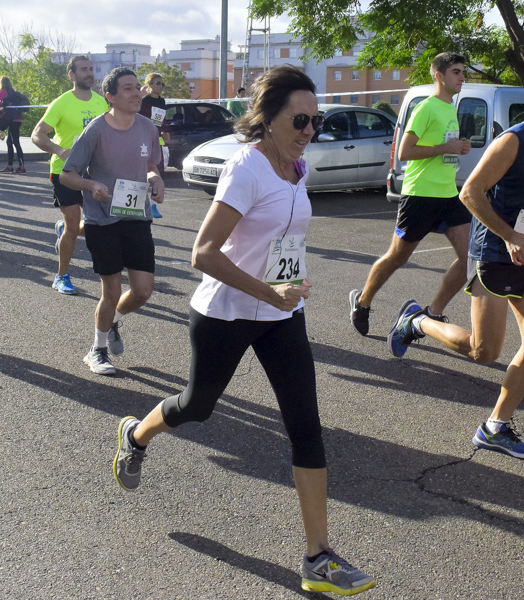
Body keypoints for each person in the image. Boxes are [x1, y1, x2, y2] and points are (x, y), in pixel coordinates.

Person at [111, 65, 376, 596]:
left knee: (306, 426)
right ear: (270, 117)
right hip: (225, 313)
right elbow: (202, 253)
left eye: (315, 120)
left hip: (281, 316)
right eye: (300, 119)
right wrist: (267, 291)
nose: (309, 129)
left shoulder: (297, 168)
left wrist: (291, 284)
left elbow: (282, 239)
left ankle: (318, 557)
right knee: (197, 406)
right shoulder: (246, 169)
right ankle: (135, 436)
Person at [388, 71, 524, 459]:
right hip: (494, 252)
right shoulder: (513, 141)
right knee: (484, 351)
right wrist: (509, 236)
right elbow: (470, 192)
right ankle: (418, 321)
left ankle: (495, 426)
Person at [349, 52, 473, 335]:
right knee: (398, 257)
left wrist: (460, 146)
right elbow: (405, 152)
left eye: (462, 72)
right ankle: (363, 301)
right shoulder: (427, 107)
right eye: (456, 72)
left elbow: (444, 147)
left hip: (447, 195)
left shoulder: (451, 107)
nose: (462, 77)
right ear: (439, 75)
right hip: (420, 195)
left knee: (470, 259)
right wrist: (446, 149)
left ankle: (431, 313)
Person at [58, 67, 163, 375]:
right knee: (112, 290)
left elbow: (152, 165)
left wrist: (156, 181)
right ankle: (97, 350)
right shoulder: (95, 130)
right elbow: (67, 174)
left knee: (143, 290)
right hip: (102, 219)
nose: (136, 93)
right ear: (111, 97)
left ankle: (113, 320)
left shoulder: (147, 128)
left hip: (137, 216)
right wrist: (91, 186)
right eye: (128, 89)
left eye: (137, 88)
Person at [30, 55, 108, 295]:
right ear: (72, 75)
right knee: (74, 228)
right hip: (65, 171)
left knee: (100, 223)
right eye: (83, 70)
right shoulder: (62, 103)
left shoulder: (101, 103)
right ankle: (61, 276)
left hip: (93, 171)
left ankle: (64, 227)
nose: (89, 73)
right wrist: (59, 150)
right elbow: (37, 134)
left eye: (91, 69)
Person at [137, 72, 169, 218]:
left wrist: (164, 132)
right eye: (157, 83)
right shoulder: (144, 101)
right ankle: (138, 203)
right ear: (149, 85)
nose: (160, 86)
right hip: (142, 140)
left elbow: (161, 120)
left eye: (162, 84)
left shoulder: (162, 102)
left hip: (156, 140)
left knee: (158, 171)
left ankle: (153, 205)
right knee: (141, 171)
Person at [0, 76, 27, 173]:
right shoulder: (12, 92)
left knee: (15, 142)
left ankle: (21, 167)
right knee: (10, 142)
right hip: (17, 118)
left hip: (12, 119)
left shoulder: (4, 91)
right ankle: (11, 166)